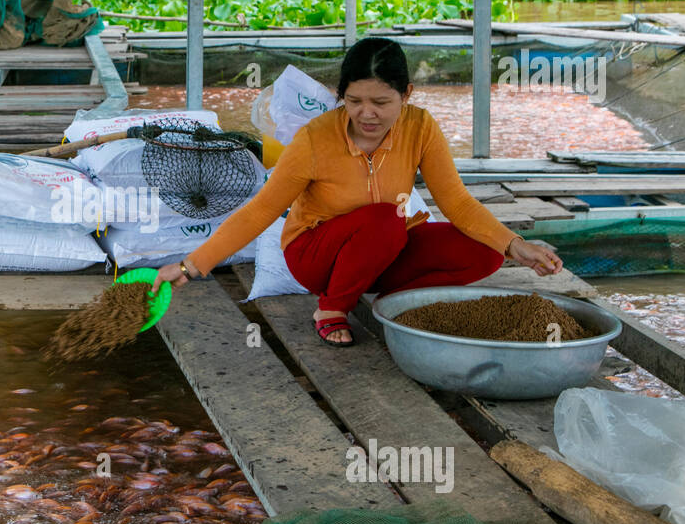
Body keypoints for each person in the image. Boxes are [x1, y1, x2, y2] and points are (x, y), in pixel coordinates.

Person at [151, 37, 564, 346]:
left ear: (406, 96)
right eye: (354, 101)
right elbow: (260, 211)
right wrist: (190, 266)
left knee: (485, 249)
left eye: (382, 102)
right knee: (386, 218)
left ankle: (390, 304)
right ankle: (331, 307)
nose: (367, 114)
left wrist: (515, 245)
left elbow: (456, 202)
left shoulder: (420, 127)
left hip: (385, 246)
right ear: (340, 96)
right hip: (317, 255)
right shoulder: (315, 139)